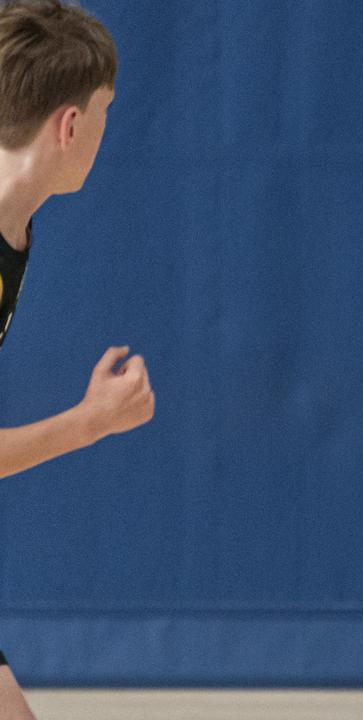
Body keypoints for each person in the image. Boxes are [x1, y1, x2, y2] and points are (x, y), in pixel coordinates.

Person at [0, 1, 154, 716]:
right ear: (69, 124)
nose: (102, 131)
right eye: (104, 111)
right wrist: (89, 422)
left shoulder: (16, 226)